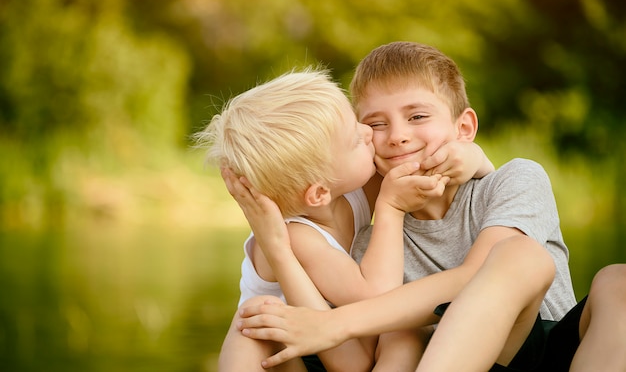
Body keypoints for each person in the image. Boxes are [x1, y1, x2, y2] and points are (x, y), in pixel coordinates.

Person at [234, 42, 626, 371]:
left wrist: (334, 324)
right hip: (449, 358)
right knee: (255, 318)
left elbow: (479, 273)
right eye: (377, 125)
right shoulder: (373, 240)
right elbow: (302, 168)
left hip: (536, 345)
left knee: (610, 278)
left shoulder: (516, 179)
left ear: (464, 129)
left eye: (418, 116)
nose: (399, 137)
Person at [195, 67, 496, 371]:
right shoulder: (299, 237)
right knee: (253, 319)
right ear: (319, 193)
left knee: (405, 333)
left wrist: (473, 156)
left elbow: (426, 163)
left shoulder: (348, 189)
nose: (369, 132)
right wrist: (389, 207)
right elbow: (375, 308)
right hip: (295, 356)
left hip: (343, 340)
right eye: (355, 139)